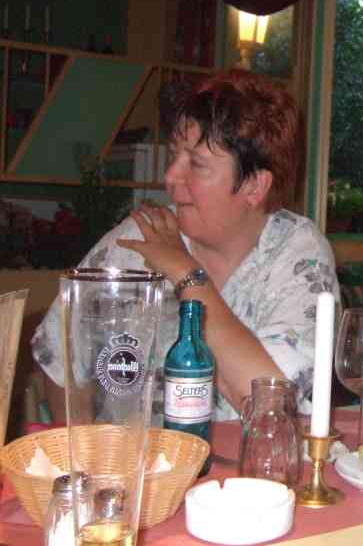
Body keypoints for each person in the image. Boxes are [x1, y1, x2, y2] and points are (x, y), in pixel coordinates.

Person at [32, 70, 340, 423]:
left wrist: (185, 274)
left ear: (254, 186)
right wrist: (84, 448)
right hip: (132, 458)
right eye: (174, 155)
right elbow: (61, 358)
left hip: (244, 461)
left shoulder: (298, 257)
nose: (170, 177)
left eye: (196, 163)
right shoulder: (138, 241)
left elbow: (271, 411)